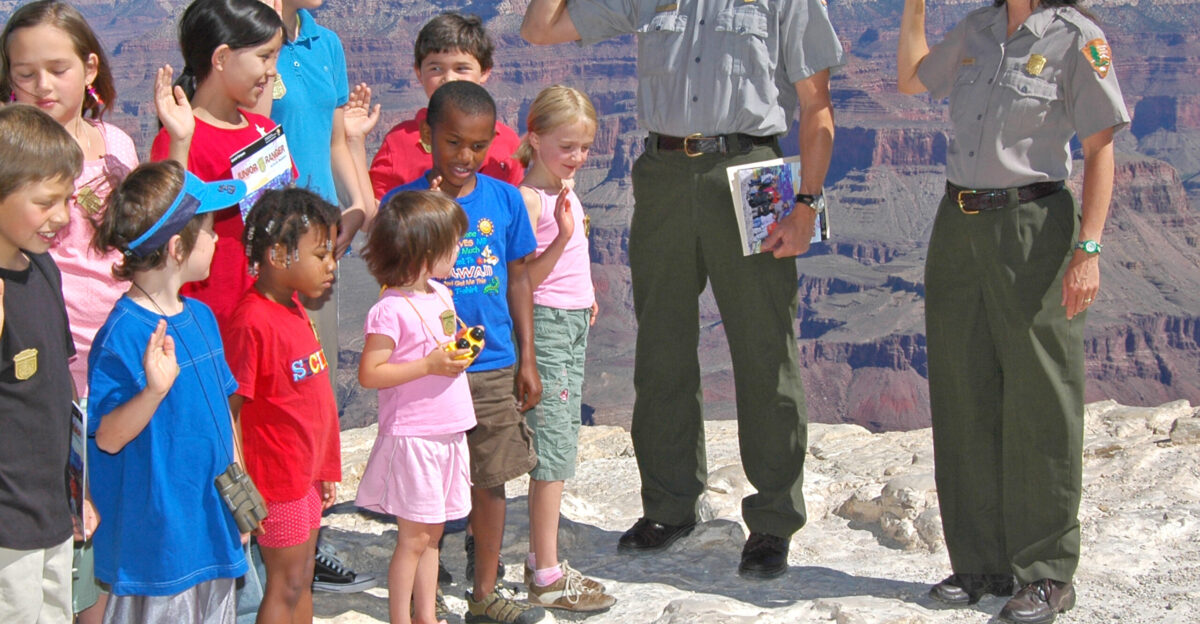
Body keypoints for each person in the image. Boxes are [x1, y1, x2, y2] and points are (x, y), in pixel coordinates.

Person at [521, 0, 844, 579]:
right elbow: (540, 29)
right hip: (664, 172)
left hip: (751, 171)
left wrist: (808, 203)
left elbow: (817, 104)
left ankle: (772, 520)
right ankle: (669, 505)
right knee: (662, 347)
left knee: (765, 349)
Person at [897, 1, 1128, 622]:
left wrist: (1089, 248)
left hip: (1033, 224)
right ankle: (980, 563)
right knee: (963, 389)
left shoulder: (1078, 40)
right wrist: (913, 8)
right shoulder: (977, 28)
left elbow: (1101, 147)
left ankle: (1048, 572)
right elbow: (911, 77)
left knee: (1041, 397)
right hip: (958, 223)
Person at [383, 80, 544, 624]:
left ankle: (484, 593)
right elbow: (386, 279)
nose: (466, 156)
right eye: (453, 142)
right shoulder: (405, 204)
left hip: (493, 362)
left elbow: (518, 278)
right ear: (429, 137)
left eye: (478, 145)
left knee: (490, 478)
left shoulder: (502, 199)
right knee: (426, 485)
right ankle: (414, 600)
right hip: (427, 370)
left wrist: (528, 358)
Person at [0, 2, 135, 619]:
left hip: (110, 374)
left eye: (55, 69)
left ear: (88, 69)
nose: (40, 86)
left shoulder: (115, 148)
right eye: (23, 73)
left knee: (94, 559)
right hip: (45, 393)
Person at [87, 160, 249, 623]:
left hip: (210, 529)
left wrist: (239, 499)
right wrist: (153, 391)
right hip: (160, 549)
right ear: (178, 248)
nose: (219, 238)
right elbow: (109, 438)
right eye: (210, 230)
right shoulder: (123, 334)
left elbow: (221, 413)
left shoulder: (201, 318)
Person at [514, 85, 613, 612]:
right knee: (551, 450)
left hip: (572, 322)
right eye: (566, 146)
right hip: (547, 329)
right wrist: (559, 238)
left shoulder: (565, 190)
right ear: (534, 139)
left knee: (562, 438)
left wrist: (590, 295)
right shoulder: (532, 200)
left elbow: (576, 258)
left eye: (585, 147)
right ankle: (546, 572)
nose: (578, 157)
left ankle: (541, 561)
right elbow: (523, 281)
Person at [355, 190, 476, 624]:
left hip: (448, 430)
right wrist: (427, 364)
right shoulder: (389, 310)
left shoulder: (441, 295)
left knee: (434, 535)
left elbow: (438, 347)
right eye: (452, 243)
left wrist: (455, 353)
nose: (459, 249)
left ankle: (427, 616)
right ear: (425, 253)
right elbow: (370, 372)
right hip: (415, 436)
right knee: (412, 538)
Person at [222, 188, 342, 624]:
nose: (332, 265)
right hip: (276, 481)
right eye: (321, 254)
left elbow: (311, 399)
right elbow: (232, 407)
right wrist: (244, 486)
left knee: (302, 577)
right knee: (286, 582)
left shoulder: (292, 309)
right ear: (277, 255)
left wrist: (324, 468)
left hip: (304, 476)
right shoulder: (252, 321)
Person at [149, 0, 290, 326]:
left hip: (273, 310)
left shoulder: (264, 131)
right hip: (217, 318)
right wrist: (181, 143)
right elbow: (167, 230)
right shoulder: (178, 141)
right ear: (222, 58)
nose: (272, 70)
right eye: (264, 56)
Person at [0, 104, 86, 624]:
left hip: (52, 513)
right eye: (45, 202)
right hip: (7, 529)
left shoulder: (44, 270)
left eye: (68, 200)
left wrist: (77, 495)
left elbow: (59, 396)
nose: (62, 216)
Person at [368, 12, 523, 200]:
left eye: (461, 68)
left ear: (484, 72)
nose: (449, 78)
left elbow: (515, 207)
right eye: (436, 68)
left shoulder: (507, 142)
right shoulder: (398, 142)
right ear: (419, 72)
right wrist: (353, 142)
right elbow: (379, 214)